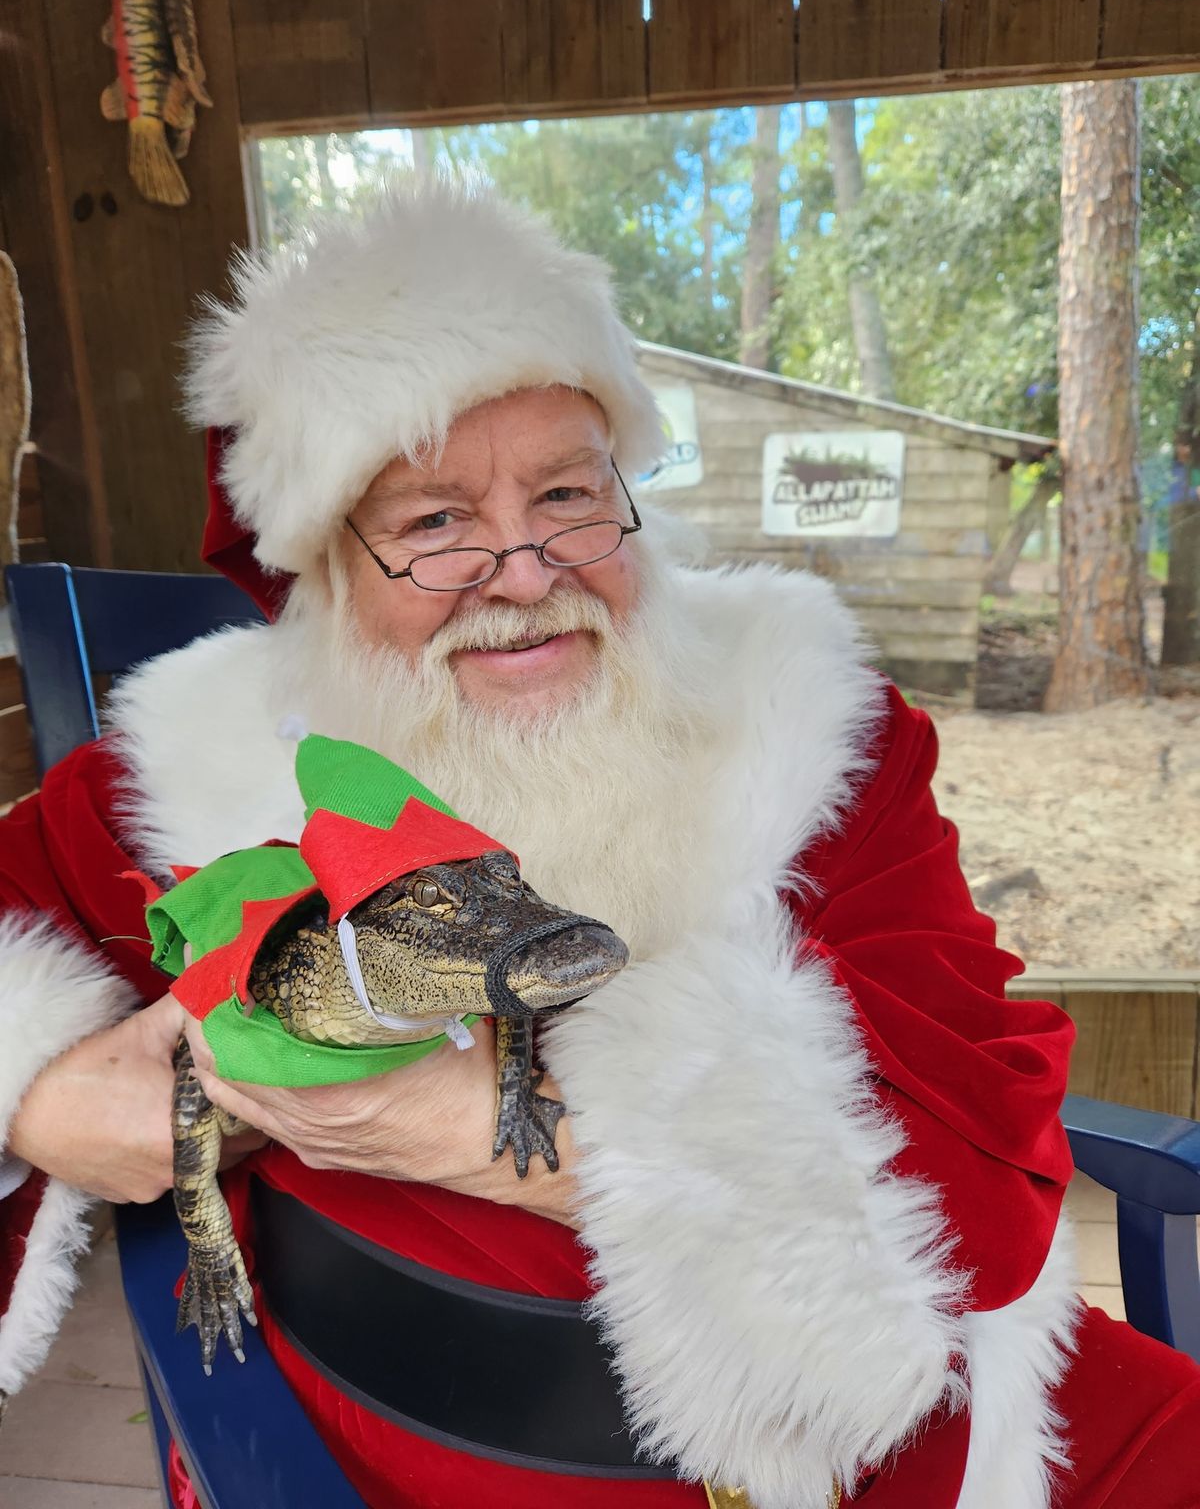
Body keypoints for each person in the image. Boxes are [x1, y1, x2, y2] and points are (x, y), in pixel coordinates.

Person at [0, 184, 1197, 1509]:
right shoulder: (204, 764)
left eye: (568, 494)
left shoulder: (806, 735)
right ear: (325, 573)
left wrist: (481, 1130)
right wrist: (44, 1100)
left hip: (883, 1427)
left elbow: (973, 1186)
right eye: (434, 521)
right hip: (451, 1448)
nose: (524, 571)